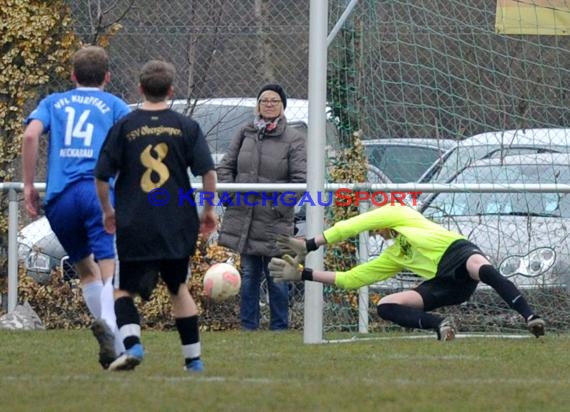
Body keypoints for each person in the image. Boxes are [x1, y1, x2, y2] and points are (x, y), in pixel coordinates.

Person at [94, 60, 217, 372]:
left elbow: (101, 175)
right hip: (177, 221)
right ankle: (194, 362)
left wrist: (108, 211)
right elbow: (208, 172)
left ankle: (133, 345)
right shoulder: (187, 126)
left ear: (140, 88)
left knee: (122, 289)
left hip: (135, 220)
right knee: (179, 289)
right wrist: (208, 210)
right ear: (171, 90)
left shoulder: (124, 126)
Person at [269, 203, 546, 340]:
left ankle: (530, 316)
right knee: (386, 306)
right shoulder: (394, 255)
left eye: (377, 228)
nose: (376, 232)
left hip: (457, 254)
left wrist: (310, 243)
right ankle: (441, 325)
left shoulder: (400, 214)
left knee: (481, 267)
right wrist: (303, 273)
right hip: (445, 285)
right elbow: (353, 279)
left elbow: (355, 224)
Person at [21, 45, 130, 368]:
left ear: (72, 75)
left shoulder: (53, 102)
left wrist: (28, 185)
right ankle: (111, 327)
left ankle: (114, 341)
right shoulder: (113, 105)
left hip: (60, 198)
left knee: (84, 267)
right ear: (107, 77)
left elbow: (30, 136)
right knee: (109, 263)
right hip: (97, 192)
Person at [217, 84, 306, 331]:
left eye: (274, 100)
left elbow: (300, 182)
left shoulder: (294, 139)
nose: (268, 104)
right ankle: (248, 328)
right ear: (258, 105)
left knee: (277, 277)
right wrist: (230, 198)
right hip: (245, 219)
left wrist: (279, 208)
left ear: (282, 106)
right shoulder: (244, 133)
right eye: (264, 100)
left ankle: (279, 328)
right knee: (248, 277)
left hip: (274, 222)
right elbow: (224, 168)